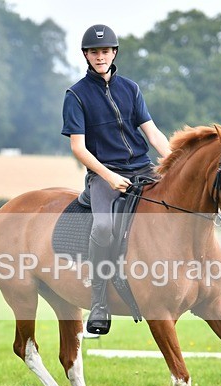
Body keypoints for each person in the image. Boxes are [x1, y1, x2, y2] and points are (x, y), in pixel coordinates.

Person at [62, 24, 171, 336]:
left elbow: (152, 133)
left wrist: (173, 162)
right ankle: (99, 303)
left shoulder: (131, 89)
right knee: (104, 226)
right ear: (86, 55)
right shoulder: (76, 95)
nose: (100, 56)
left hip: (143, 169)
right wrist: (109, 176)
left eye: (105, 51)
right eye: (94, 52)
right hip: (103, 176)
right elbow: (77, 148)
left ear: (114, 53)